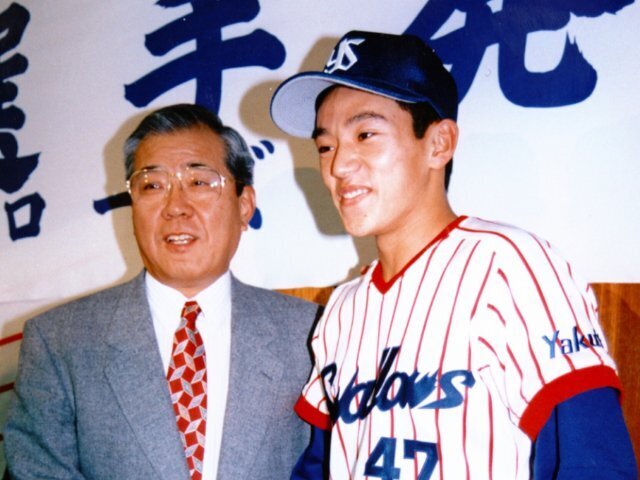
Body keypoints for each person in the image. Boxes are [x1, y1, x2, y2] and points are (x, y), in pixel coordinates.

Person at [270, 31, 637, 478]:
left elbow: (593, 461)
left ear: (439, 143)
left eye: (365, 134)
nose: (338, 165)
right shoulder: (342, 310)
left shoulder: (512, 266)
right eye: (325, 145)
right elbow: (318, 467)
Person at [4, 103, 318, 480]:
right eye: (152, 186)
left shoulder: (309, 333)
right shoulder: (61, 342)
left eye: (200, 183)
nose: (175, 207)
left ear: (244, 205)